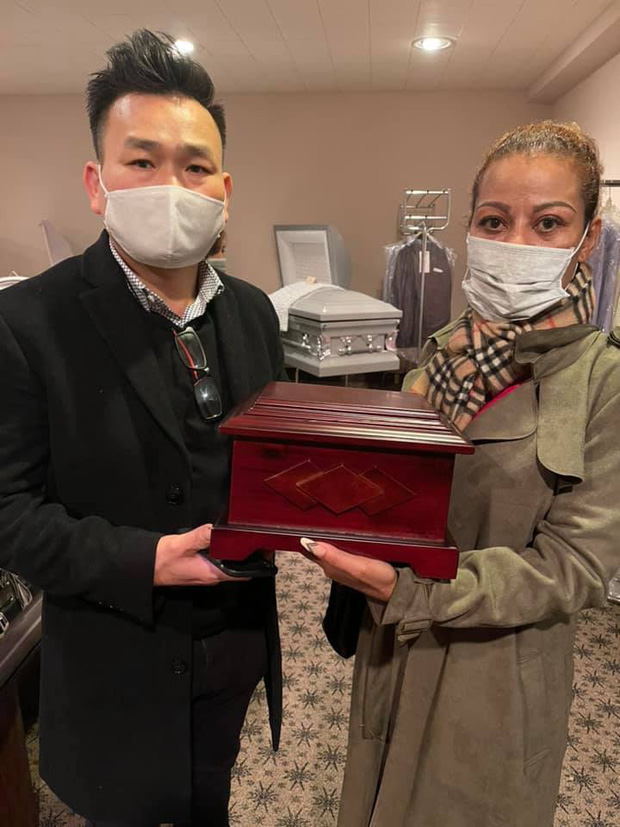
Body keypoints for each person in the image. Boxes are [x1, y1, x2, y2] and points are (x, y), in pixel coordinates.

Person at [0, 30, 284, 827]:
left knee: (208, 803)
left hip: (232, 646)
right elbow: (7, 512)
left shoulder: (256, 313)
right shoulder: (26, 322)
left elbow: (270, 464)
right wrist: (144, 559)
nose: (171, 184)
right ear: (97, 183)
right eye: (142, 160)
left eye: (194, 166)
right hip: (113, 658)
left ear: (223, 188)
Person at [301, 121, 620, 827]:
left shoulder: (603, 381)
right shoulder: (441, 355)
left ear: (588, 239)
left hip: (494, 671)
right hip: (392, 644)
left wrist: (416, 589)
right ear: (470, 228)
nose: (516, 242)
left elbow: (575, 567)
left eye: (548, 223)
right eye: (495, 221)